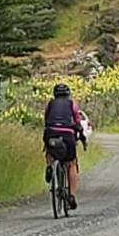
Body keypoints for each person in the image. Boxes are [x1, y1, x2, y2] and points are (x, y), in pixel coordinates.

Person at [42, 82, 86, 210]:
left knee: (49, 150)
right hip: (68, 133)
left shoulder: (50, 104)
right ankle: (71, 195)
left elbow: (46, 120)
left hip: (51, 131)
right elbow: (77, 122)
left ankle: (50, 166)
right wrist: (81, 137)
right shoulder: (72, 104)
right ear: (68, 94)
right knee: (71, 163)